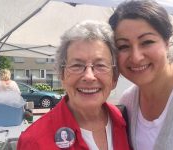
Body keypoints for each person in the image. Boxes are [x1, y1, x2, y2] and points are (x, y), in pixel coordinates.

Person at [109, 0, 173, 150]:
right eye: (123, 46)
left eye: (147, 42)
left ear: (167, 43)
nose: (136, 57)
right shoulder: (128, 101)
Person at [17, 20, 130, 150]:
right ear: (62, 75)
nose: (89, 76)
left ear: (114, 78)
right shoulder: (33, 142)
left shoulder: (125, 122)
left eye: (100, 65)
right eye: (77, 65)